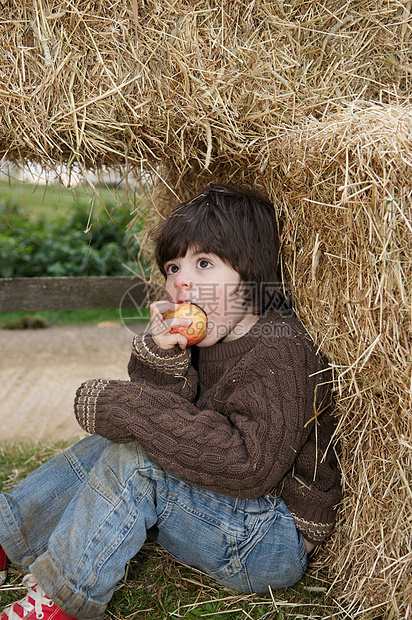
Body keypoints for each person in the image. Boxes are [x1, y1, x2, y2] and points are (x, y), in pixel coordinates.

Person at [0, 184, 342, 620]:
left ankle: (62, 601)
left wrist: (124, 406)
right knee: (122, 446)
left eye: (204, 263)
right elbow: (171, 424)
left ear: (252, 275)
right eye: (173, 267)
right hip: (217, 500)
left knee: (139, 462)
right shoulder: (204, 338)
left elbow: (247, 467)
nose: (181, 280)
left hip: (271, 534)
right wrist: (163, 359)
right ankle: (8, 535)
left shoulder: (282, 349)